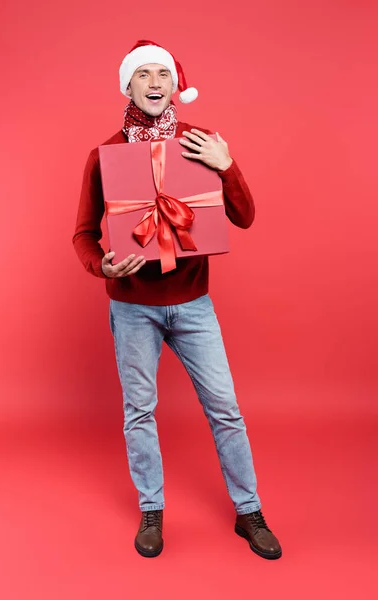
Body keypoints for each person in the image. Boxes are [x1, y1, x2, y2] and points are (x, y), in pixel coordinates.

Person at [73, 40, 282, 560]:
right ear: (127, 86)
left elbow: (246, 217)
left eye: (162, 74)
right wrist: (101, 264)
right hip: (132, 306)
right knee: (138, 411)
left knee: (225, 408)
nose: (153, 83)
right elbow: (82, 233)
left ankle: (248, 510)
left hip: (192, 303)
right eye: (141, 75)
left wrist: (228, 163)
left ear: (175, 85)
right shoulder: (104, 155)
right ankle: (152, 510)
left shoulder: (200, 142)